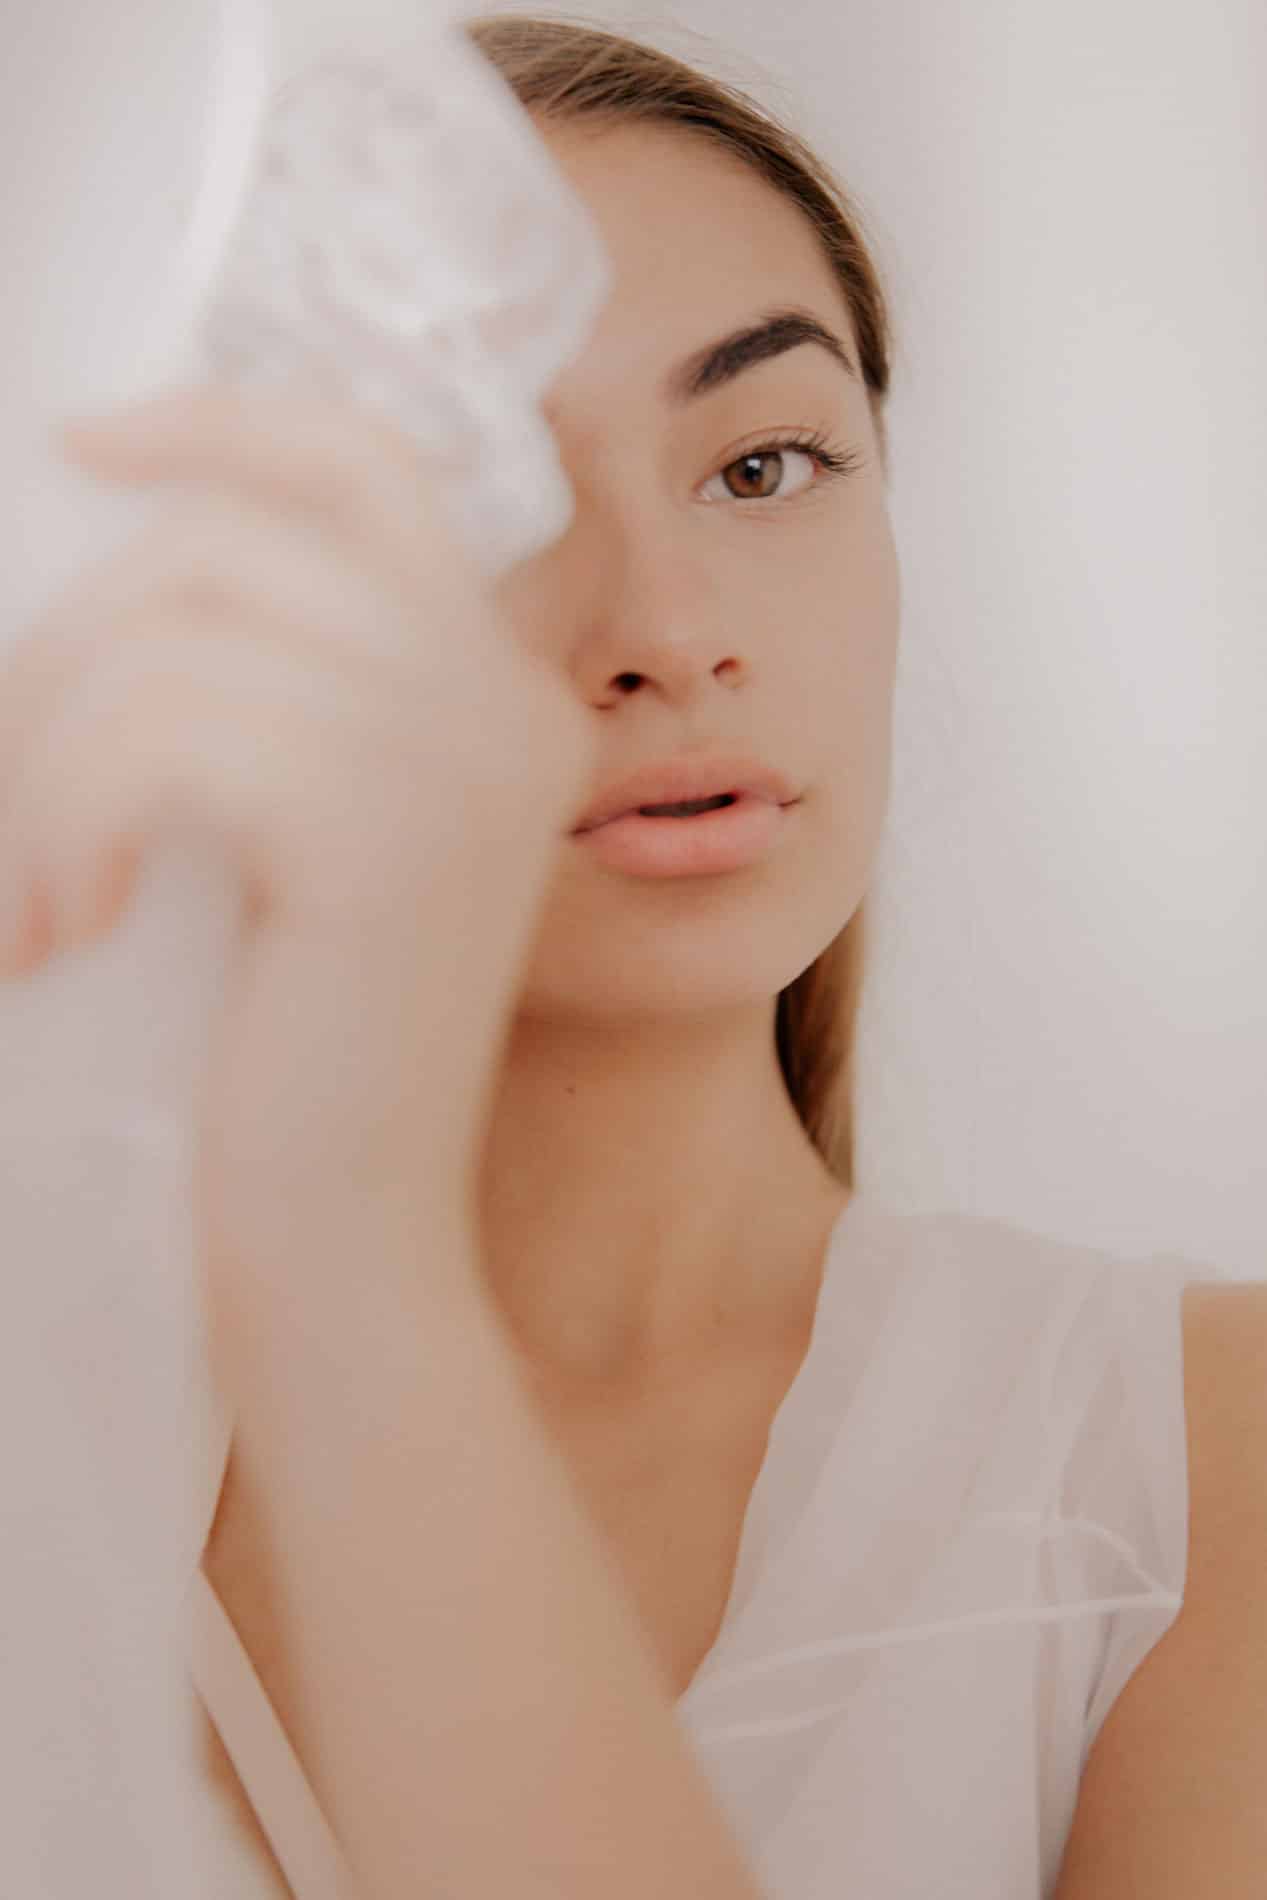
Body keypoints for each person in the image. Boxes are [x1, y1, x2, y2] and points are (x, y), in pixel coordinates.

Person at [4, 16, 1263, 1900]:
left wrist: (346, 1247)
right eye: (485, 498)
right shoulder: (48, 1456)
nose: (669, 630)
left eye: (765, 465)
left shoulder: (1194, 1462)